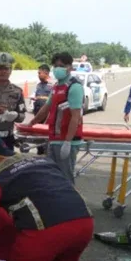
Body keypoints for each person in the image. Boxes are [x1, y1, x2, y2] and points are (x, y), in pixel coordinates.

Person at [27, 52, 84, 183]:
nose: (58, 69)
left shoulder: (74, 87)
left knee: (65, 179)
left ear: (70, 67)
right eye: (56, 66)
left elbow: (75, 117)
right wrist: (31, 123)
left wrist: (68, 142)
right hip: (54, 138)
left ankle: (70, 203)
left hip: (66, 140)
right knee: (54, 178)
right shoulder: (56, 86)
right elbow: (46, 108)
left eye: (61, 66)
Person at [31, 64, 53, 155]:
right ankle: (39, 151)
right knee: (38, 135)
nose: (38, 75)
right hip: (38, 113)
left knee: (46, 136)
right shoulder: (38, 85)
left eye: (40, 73)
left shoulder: (52, 84)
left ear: (46, 73)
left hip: (47, 116)